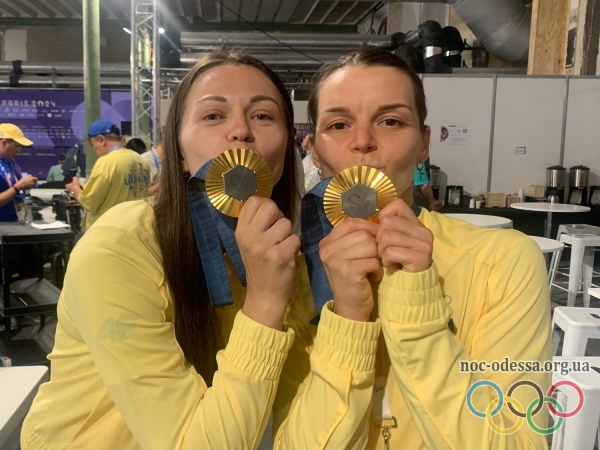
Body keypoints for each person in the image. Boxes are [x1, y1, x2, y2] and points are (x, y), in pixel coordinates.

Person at [21, 53, 380, 449]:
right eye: (213, 116)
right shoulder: (117, 249)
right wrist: (264, 301)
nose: (241, 131)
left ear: (286, 149)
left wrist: (349, 311)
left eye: (263, 116)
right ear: (177, 150)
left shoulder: (284, 251)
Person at [304, 49, 551, 449]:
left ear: (424, 144)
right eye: (339, 124)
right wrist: (347, 317)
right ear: (314, 151)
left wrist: (417, 307)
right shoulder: (290, 273)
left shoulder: (502, 260)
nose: (363, 141)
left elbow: (520, 440)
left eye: (390, 121)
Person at [64, 120, 151, 230]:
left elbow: (89, 202)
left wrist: (74, 188)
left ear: (101, 140)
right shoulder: (141, 161)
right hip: (133, 228)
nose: (94, 150)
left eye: (93, 145)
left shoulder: (106, 162)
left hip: (107, 230)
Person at [0, 124, 38, 222]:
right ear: (3, 143)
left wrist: (26, 185)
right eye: (16, 146)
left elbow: (14, 189)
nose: (19, 151)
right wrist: (18, 186)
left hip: (15, 221)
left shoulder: (11, 163)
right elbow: (16, 187)